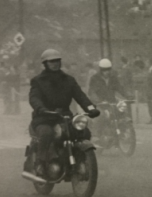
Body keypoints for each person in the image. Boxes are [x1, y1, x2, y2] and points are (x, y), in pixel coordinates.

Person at [26, 49, 100, 177]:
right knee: (46, 133)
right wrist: (41, 108)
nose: (55, 63)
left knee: (83, 131)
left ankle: (79, 160)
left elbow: (80, 96)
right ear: (45, 63)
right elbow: (34, 98)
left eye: (57, 61)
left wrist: (91, 108)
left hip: (64, 116)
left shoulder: (69, 80)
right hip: (44, 117)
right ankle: (40, 163)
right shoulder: (38, 81)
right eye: (51, 61)